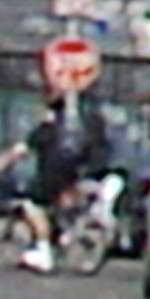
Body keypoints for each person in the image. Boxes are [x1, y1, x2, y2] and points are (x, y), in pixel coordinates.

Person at [19, 91, 114, 274]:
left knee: (31, 207)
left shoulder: (45, 129)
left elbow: (21, 150)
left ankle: (44, 249)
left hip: (49, 176)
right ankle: (65, 238)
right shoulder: (77, 128)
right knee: (61, 211)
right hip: (73, 175)